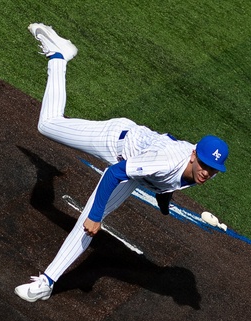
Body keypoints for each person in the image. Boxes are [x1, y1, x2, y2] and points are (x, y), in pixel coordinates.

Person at [15, 23, 229, 302]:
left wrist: (164, 200)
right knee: (48, 125)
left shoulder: (202, 170)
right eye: (204, 165)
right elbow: (115, 173)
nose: (207, 172)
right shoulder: (166, 161)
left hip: (135, 169)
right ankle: (59, 55)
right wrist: (95, 215)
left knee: (87, 222)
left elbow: (170, 177)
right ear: (193, 155)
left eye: (212, 169)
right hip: (115, 141)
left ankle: (46, 283)